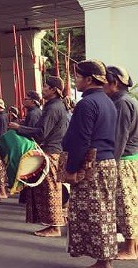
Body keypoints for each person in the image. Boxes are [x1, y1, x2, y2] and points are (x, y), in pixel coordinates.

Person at [62, 59, 118, 268]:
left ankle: (104, 262)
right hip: (107, 162)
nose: (75, 80)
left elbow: (81, 140)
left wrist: (71, 170)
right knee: (104, 210)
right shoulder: (107, 101)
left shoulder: (87, 103)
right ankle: (104, 259)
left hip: (92, 164)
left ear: (89, 79)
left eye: (77, 76)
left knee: (95, 213)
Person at [8, 76, 69, 237]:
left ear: (54, 90)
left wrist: (19, 128)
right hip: (53, 150)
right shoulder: (54, 106)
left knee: (51, 190)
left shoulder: (53, 107)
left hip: (51, 151)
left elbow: (42, 133)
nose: (42, 88)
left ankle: (55, 227)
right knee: (49, 189)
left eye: (46, 86)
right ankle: (52, 224)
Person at [104, 66, 138, 260]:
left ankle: (130, 249)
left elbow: (119, 137)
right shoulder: (128, 100)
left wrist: (111, 163)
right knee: (130, 204)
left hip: (123, 161)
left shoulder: (122, 103)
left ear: (114, 83)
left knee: (126, 205)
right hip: (129, 159)